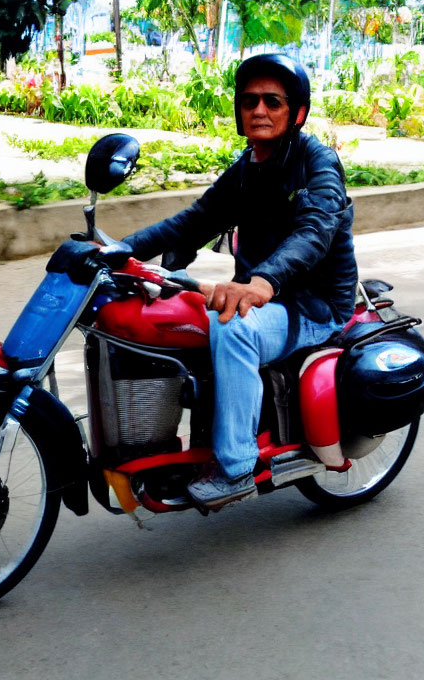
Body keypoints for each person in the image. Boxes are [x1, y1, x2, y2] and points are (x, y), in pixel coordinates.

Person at [120, 53, 358, 509]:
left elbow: (315, 232)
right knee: (176, 313)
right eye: (249, 100)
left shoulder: (317, 163)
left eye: (273, 101)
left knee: (234, 327)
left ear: (297, 112)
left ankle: (235, 469)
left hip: (313, 305)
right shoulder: (248, 168)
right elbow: (194, 221)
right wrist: (119, 251)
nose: (259, 110)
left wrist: (264, 281)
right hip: (269, 297)